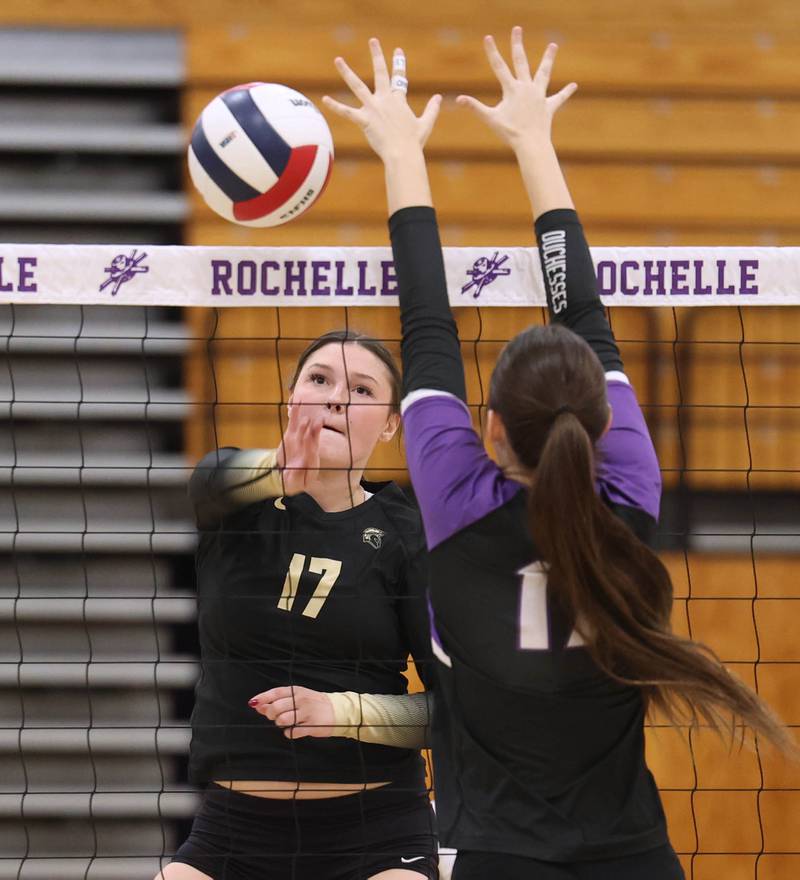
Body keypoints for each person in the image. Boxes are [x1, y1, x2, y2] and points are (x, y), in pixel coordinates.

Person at [323, 28, 794, 880]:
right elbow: (583, 314)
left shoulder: (458, 502)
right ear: (601, 427)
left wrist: (402, 151)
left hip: (500, 859)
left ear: (490, 429)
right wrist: (534, 139)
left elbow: (427, 322)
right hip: (635, 860)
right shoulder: (629, 493)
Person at [160, 329, 437, 880]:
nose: (336, 398)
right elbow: (210, 482)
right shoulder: (234, 503)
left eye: (361, 390)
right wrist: (279, 470)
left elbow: (455, 714)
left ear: (390, 425)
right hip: (234, 834)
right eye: (320, 380)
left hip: (376, 831)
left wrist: (342, 713)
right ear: (292, 399)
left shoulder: (408, 537)